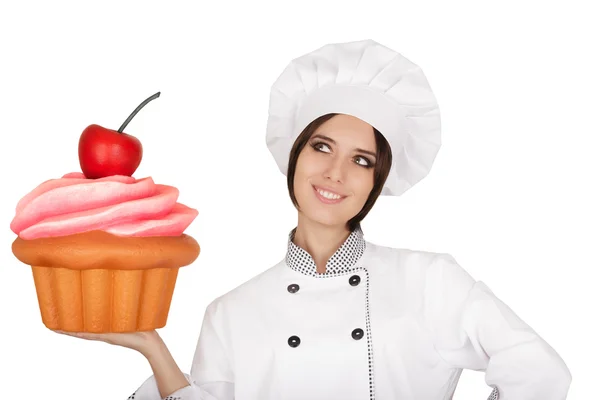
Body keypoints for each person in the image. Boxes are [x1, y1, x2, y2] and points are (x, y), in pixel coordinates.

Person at [56, 39, 571, 400]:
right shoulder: (230, 311)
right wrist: (152, 348)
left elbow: (540, 373)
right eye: (322, 147)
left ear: (377, 181)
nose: (335, 172)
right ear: (295, 156)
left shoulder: (431, 281)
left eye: (361, 160)